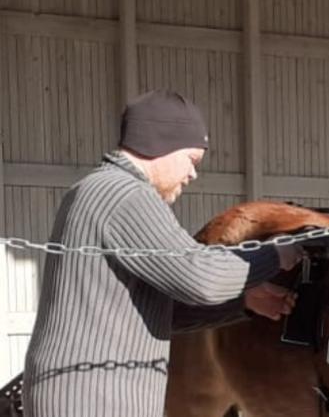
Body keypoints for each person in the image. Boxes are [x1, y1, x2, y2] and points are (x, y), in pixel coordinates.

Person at [22, 90, 301, 417]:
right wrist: (274, 255)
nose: (193, 174)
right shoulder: (126, 195)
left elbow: (162, 313)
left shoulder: (94, 190)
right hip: (95, 397)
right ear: (161, 143)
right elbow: (199, 276)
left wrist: (243, 301)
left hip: (81, 390)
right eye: (191, 160)